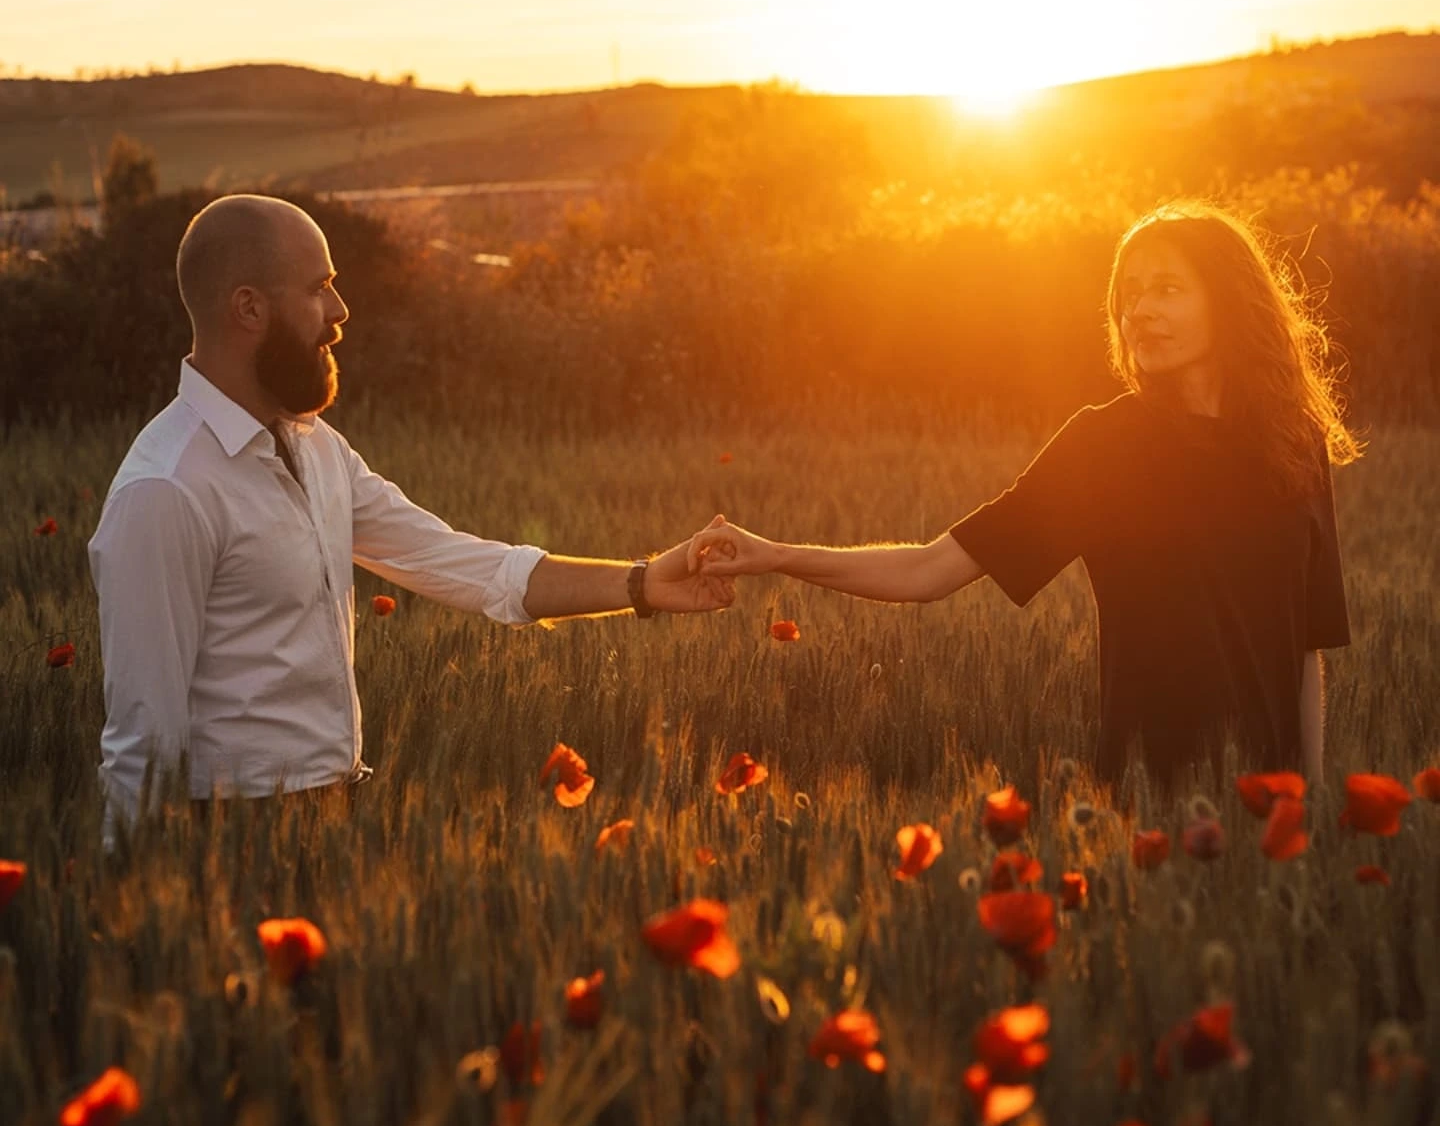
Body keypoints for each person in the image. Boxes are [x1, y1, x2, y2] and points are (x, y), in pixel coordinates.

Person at [89, 194, 735, 831]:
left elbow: (469, 567)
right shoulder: (165, 492)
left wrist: (644, 582)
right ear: (249, 307)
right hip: (230, 838)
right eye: (318, 288)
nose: (340, 311)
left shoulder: (316, 448)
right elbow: (143, 750)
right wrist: (143, 886)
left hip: (332, 820)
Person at [690, 201, 1360, 790]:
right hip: (1150, 805)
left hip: (1271, 815)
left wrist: (1309, 801)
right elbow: (929, 569)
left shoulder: (1294, 443)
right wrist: (775, 554)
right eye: (1129, 293)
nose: (1140, 311)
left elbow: (1307, 645)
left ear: (1231, 302)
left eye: (1167, 288)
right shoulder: (1105, 447)